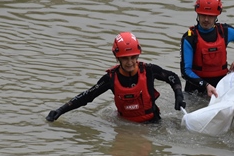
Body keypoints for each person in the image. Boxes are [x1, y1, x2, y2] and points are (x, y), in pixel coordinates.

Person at [46, 32, 186, 123]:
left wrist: (178, 94)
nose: (130, 62)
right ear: (117, 57)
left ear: (138, 55)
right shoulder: (110, 78)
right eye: (125, 58)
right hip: (124, 125)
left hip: (152, 123)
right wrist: (60, 110)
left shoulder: (149, 70)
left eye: (133, 57)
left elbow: (172, 77)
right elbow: (87, 96)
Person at [180, 0, 234, 97]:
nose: (206, 19)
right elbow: (186, 71)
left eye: (210, 16)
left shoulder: (225, 31)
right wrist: (205, 85)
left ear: (217, 15)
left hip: (221, 87)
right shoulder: (189, 38)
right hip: (196, 90)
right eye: (203, 15)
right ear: (197, 13)